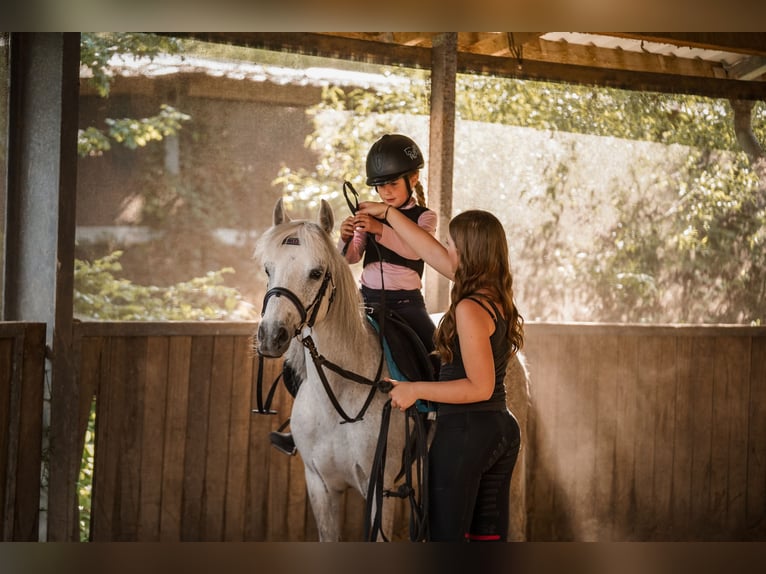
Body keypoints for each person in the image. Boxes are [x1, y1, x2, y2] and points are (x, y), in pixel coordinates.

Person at [356, 202, 524, 542]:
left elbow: (479, 387)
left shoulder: (469, 307)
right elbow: (428, 251)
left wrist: (415, 390)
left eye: (451, 244)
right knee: (484, 541)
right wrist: (388, 215)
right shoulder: (495, 294)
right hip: (498, 430)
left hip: (467, 432)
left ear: (466, 253)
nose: (445, 249)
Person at [269, 133, 438, 456]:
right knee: (305, 354)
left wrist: (380, 229)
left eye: (392, 184)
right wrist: (347, 238)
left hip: (407, 306)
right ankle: (303, 426)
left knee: (434, 353)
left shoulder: (424, 218)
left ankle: (433, 419)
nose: (386, 192)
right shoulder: (370, 215)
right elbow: (350, 258)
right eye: (380, 186)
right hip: (366, 303)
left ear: (413, 178)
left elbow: (415, 247)